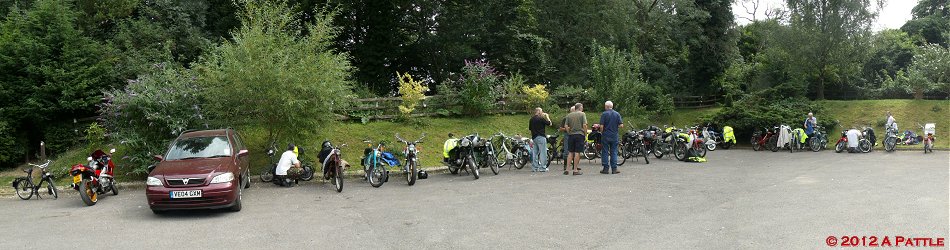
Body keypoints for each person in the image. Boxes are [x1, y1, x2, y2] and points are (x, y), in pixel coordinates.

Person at [598, 101, 623, 174]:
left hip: (606, 135)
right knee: (614, 151)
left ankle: (605, 168)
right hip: (614, 135)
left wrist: (602, 132)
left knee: (605, 151)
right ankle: (614, 168)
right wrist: (615, 126)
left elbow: (601, 126)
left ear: (606, 106)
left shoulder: (604, 114)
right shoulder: (617, 114)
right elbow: (621, 125)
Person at [563, 103, 587, 175]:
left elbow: (566, 125)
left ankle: (567, 169)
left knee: (570, 152)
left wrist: (569, 132)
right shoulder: (582, 114)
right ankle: (575, 170)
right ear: (580, 108)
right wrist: (585, 134)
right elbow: (584, 125)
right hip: (579, 134)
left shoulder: (569, 115)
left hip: (571, 135)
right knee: (577, 152)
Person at [529, 107, 552, 172]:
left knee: (535, 153)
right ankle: (543, 167)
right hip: (541, 137)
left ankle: (534, 167)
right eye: (541, 111)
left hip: (534, 137)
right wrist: (547, 117)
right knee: (543, 152)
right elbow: (550, 124)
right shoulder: (541, 118)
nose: (542, 113)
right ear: (539, 111)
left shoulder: (531, 119)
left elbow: (530, 129)